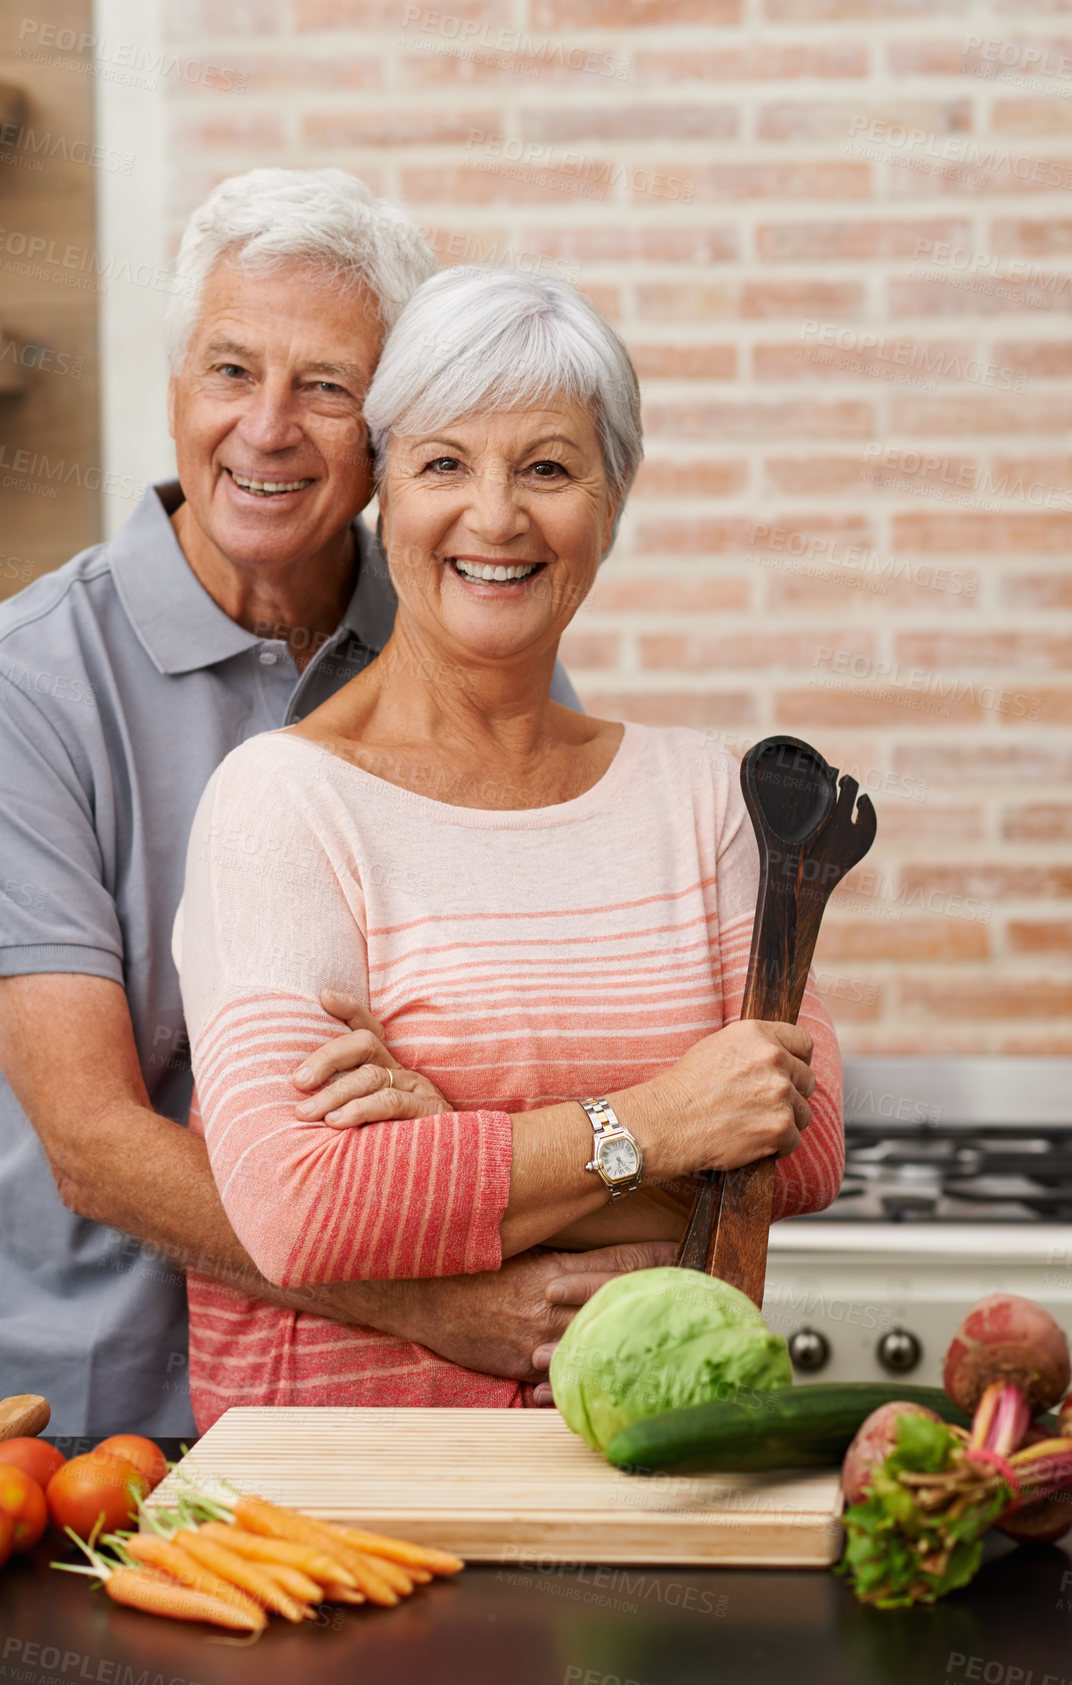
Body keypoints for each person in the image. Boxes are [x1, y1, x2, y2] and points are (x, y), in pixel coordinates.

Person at [0, 170, 637, 1440]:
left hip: (405, 1426)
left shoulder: (475, 614)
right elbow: (91, 1137)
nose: (269, 428)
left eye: (327, 386)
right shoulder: (31, 684)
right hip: (112, 1421)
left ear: (392, 425)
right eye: (231, 371)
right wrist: (428, 1298)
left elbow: (542, 1045)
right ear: (177, 385)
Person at [175, 266, 845, 1431]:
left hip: (655, 1482)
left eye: (547, 466)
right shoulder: (283, 803)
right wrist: (655, 1126)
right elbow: (297, 1204)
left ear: (612, 500)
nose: (495, 517)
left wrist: (441, 1147)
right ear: (384, 492)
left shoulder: (708, 798)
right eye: (444, 464)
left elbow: (801, 1151)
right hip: (347, 1525)